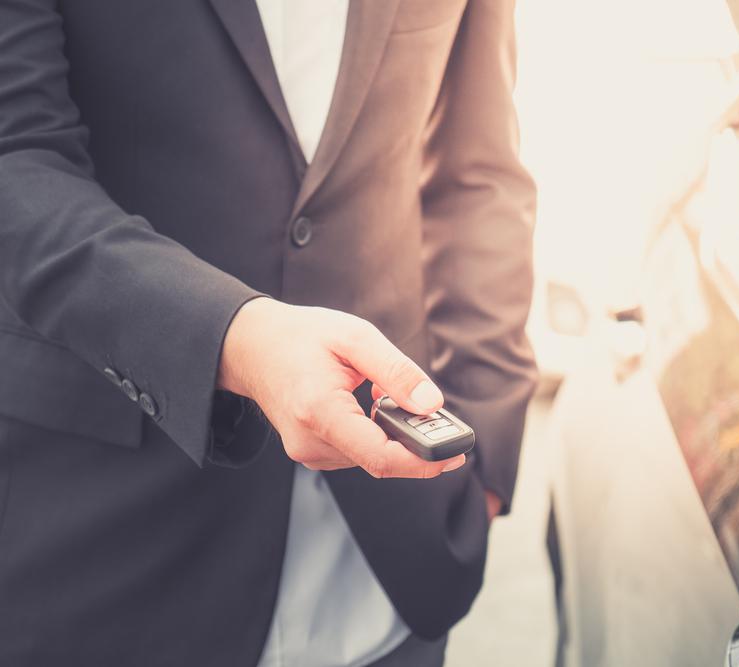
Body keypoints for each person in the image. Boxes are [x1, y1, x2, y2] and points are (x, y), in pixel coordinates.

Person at [0, 1, 537, 665]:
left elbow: (477, 172)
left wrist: (484, 444)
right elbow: (15, 160)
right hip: (111, 562)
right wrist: (235, 338)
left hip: (392, 574)